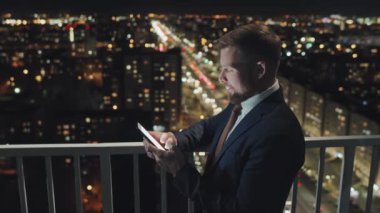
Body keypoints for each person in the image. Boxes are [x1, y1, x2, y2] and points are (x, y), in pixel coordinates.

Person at [143, 23, 305, 213]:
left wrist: (180, 170)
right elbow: (208, 128)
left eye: (229, 69)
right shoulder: (244, 104)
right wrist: (173, 139)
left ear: (260, 70)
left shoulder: (278, 133)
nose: (221, 78)